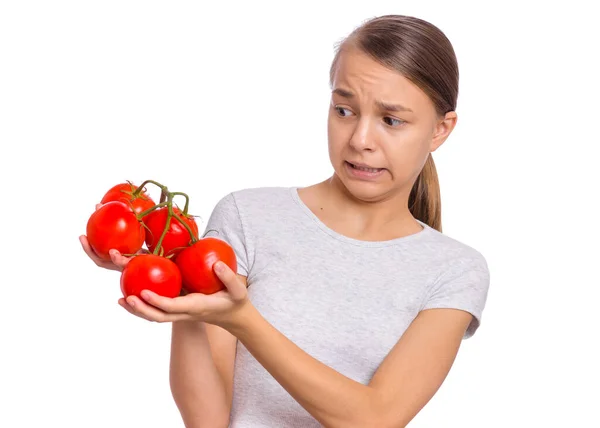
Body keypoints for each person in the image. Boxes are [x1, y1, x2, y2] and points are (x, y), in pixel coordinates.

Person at [80, 14, 491, 428]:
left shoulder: (453, 271)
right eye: (344, 110)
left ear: (441, 129)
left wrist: (243, 320)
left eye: (391, 120)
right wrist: (185, 300)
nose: (360, 139)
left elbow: (374, 418)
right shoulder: (247, 217)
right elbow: (206, 420)